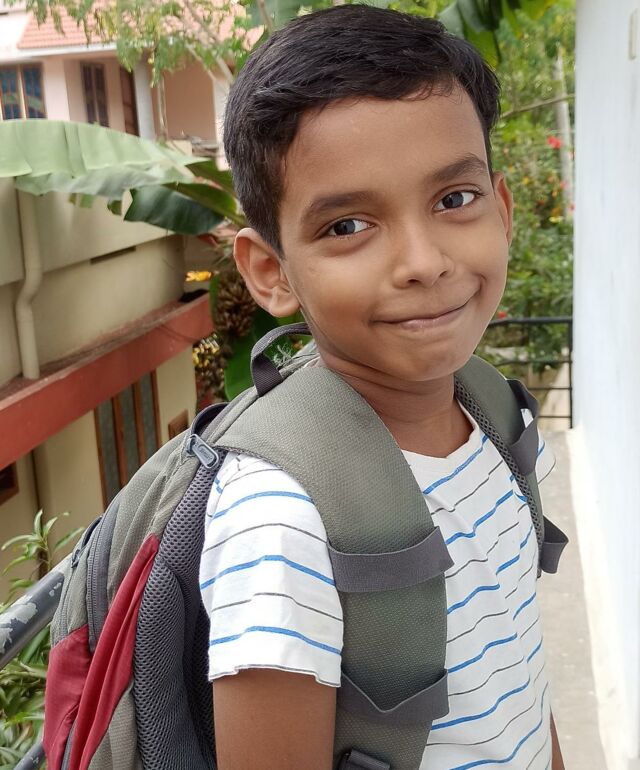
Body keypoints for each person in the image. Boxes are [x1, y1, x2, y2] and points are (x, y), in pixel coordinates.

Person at [198, 5, 564, 769]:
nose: (424, 262)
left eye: (453, 200)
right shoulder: (283, 522)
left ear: (501, 210)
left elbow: (518, 687)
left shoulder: (497, 419)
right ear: (271, 271)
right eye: (347, 226)